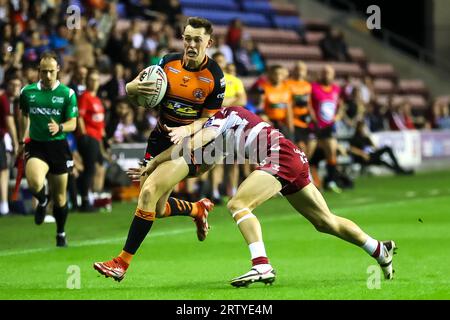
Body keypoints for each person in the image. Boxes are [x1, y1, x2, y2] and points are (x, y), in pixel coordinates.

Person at [109, 106, 397, 285]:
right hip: (292, 155)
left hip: (279, 157)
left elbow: (195, 141)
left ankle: (261, 266)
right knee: (325, 222)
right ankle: (378, 249)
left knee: (238, 203)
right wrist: (163, 159)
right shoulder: (228, 118)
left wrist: (155, 161)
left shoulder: (218, 119)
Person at [93, 17, 225, 278]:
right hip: (162, 138)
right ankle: (197, 209)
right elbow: (134, 89)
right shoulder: (166, 63)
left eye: (197, 40)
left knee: (148, 192)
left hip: (195, 144)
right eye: (187, 38)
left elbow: (209, 121)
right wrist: (133, 87)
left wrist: (186, 130)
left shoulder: (215, 77)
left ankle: (121, 263)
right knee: (155, 206)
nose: (191, 44)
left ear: (209, 43)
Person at [18, 51, 78, 247]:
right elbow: (24, 115)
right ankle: (42, 201)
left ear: (58, 70)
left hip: (59, 147)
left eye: (52, 71)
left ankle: (60, 232)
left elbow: (73, 124)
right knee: (35, 182)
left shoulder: (67, 94)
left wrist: (60, 127)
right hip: (36, 145)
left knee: (60, 197)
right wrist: (22, 139)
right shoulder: (27, 92)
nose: (48, 76)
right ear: (39, 71)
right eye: (44, 72)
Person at [308, 65, 345, 193]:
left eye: (328, 73)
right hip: (314, 126)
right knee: (308, 154)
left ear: (333, 75)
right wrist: (313, 118)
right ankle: (306, 180)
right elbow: (309, 104)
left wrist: (339, 115)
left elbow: (340, 104)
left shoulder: (336, 88)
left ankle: (331, 181)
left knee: (332, 150)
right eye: (324, 72)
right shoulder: (313, 87)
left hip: (329, 127)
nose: (326, 75)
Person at [76, 68, 105, 212]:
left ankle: (90, 197)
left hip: (96, 137)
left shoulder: (97, 99)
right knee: (89, 169)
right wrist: (83, 134)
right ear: (87, 81)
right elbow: (79, 116)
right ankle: (85, 201)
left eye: (97, 80)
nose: (94, 83)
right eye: (92, 80)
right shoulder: (85, 97)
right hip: (89, 136)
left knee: (94, 168)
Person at [349, 120, 414, 175]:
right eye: (363, 127)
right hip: (363, 158)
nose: (364, 129)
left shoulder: (366, 138)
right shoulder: (355, 138)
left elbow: (374, 147)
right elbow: (352, 149)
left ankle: (398, 170)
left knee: (383, 159)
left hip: (371, 155)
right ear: (359, 128)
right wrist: (363, 154)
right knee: (387, 150)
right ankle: (399, 169)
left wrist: (369, 138)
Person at [0, 76, 21, 216]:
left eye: (18, 85)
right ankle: (4, 207)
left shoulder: (14, 102)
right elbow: (10, 123)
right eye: (12, 84)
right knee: (3, 170)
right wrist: (16, 143)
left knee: (5, 170)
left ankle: (5, 205)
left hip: (3, 137)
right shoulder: (4, 99)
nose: (15, 88)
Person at [284, 61, 313, 157]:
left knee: (310, 147)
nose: (300, 71)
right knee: (300, 147)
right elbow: (287, 104)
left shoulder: (307, 85)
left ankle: (304, 168)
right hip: (294, 121)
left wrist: (314, 119)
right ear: (294, 70)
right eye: (298, 69)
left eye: (302, 69)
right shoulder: (288, 83)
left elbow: (308, 104)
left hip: (305, 121)